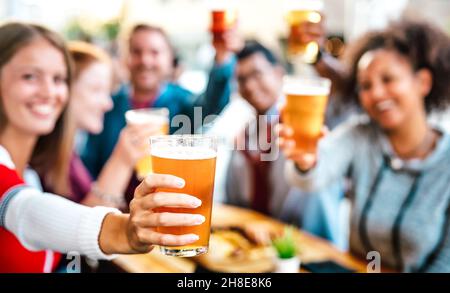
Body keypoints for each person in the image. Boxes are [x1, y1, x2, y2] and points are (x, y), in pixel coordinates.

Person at [0, 22, 204, 273]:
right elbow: (23, 209)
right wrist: (125, 232)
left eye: (58, 79)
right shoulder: (14, 180)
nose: (49, 91)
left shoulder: (31, 172)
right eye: (30, 76)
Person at [278, 20, 450, 272]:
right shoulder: (359, 136)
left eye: (388, 79)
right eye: (366, 86)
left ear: (422, 82)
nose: (376, 93)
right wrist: (305, 162)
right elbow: (311, 177)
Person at [82, 24, 240, 182]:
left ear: (170, 59)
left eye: (154, 52)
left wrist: (222, 59)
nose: (145, 60)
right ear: (126, 58)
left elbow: (211, 104)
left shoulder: (182, 102)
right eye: (136, 52)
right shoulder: (107, 106)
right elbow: (88, 166)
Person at [225, 41, 346, 246]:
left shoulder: (312, 123)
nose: (250, 86)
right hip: (260, 252)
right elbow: (234, 203)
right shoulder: (242, 139)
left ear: (279, 74)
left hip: (317, 250)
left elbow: (348, 99)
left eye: (257, 74)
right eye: (242, 79)